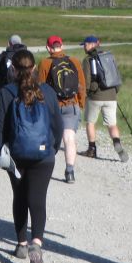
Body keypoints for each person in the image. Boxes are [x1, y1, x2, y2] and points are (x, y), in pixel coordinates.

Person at [0, 49, 64, 263]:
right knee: (38, 198)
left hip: (16, 155)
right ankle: (37, 243)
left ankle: (22, 243)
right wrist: (51, 149)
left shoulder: (6, 92)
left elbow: (0, 129)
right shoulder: (47, 92)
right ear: (34, 68)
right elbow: (58, 126)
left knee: (20, 197)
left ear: (13, 69)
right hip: (44, 156)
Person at [37, 35, 86, 184]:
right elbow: (81, 85)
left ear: (48, 47)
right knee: (69, 138)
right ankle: (70, 171)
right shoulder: (75, 61)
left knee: (48, 138)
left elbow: (41, 87)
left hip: (52, 107)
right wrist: (80, 104)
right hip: (72, 105)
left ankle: (43, 169)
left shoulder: (45, 63)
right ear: (62, 46)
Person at [79, 35, 129, 162]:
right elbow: (116, 77)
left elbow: (86, 80)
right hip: (112, 95)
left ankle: (92, 149)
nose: (84, 47)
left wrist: (87, 93)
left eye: (85, 44)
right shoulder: (109, 57)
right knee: (112, 124)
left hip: (95, 96)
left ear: (92, 44)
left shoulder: (87, 60)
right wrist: (114, 91)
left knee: (90, 122)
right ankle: (117, 144)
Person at [0, 34, 28, 101]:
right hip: (22, 93)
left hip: (4, 93)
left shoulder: (1, 57)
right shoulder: (26, 56)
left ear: (9, 44)